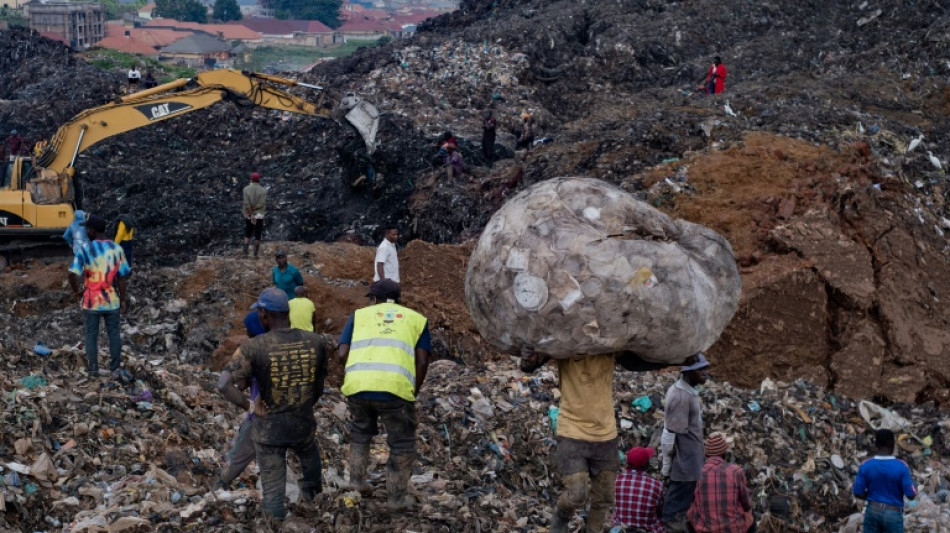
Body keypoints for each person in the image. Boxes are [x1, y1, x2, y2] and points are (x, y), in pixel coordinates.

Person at [521, 349, 681, 533]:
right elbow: (533, 361)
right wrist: (529, 359)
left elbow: (635, 363)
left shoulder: (610, 345)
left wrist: (673, 358)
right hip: (572, 432)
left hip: (605, 435)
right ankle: (561, 517)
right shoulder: (566, 344)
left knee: (604, 497)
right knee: (577, 494)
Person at [217, 287, 329, 520]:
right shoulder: (315, 342)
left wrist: (251, 407)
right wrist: (302, 405)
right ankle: (313, 518)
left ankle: (275, 523)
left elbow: (224, 384)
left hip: (269, 429)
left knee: (273, 495)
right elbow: (318, 387)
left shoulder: (254, 347)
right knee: (311, 476)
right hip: (302, 424)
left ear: (264, 314)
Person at [338, 279, 431, 509]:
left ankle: (357, 483)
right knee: (401, 443)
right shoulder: (416, 320)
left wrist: (356, 375)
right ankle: (396, 499)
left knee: (360, 434)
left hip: (358, 387)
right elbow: (422, 360)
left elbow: (342, 354)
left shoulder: (359, 316)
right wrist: (413, 390)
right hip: (396, 390)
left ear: (376, 299)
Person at [67, 215, 131, 378]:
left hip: (91, 301)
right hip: (111, 300)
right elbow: (122, 278)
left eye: (87, 229)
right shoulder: (117, 249)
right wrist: (123, 300)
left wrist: (77, 292)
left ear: (92, 231)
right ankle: (115, 369)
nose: (86, 231)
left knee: (91, 335)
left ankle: (93, 370)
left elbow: (72, 273)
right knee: (114, 334)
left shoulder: (86, 250)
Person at [660, 354, 710, 531]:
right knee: (673, 512)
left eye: (705, 368)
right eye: (700, 370)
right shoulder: (681, 397)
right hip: (684, 467)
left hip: (691, 464)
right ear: (688, 372)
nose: (705, 373)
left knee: (684, 507)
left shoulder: (688, 393)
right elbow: (669, 435)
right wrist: (666, 467)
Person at [218, 309, 267, 489]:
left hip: (260, 416)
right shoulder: (278, 346)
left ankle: (217, 487)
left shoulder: (250, 350)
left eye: (247, 328)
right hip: (288, 415)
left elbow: (233, 385)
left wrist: (249, 406)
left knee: (237, 458)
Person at [687, 433, 755, 533]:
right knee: (750, 516)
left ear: (706, 454)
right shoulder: (736, 472)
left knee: (690, 512)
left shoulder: (697, 473)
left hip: (704, 529)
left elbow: (690, 500)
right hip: (734, 529)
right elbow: (746, 504)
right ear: (724, 453)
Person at [853, 429, 917, 533]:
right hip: (893, 513)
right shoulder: (901, 466)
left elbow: (857, 492)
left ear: (876, 445)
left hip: (872, 510)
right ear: (893, 445)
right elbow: (911, 494)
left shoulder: (865, 465)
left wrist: (870, 496)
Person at [613, 446, 665, 533]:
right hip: (648, 529)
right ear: (646, 465)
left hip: (622, 528)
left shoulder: (616, 481)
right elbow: (662, 510)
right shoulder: (657, 485)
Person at [242, 172, 266, 257]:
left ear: (251, 179)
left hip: (249, 215)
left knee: (247, 233)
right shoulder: (263, 190)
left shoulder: (246, 189)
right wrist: (254, 209)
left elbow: (246, 202)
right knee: (257, 234)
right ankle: (255, 254)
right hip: (259, 215)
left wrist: (250, 212)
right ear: (259, 180)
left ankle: (245, 253)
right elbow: (262, 203)